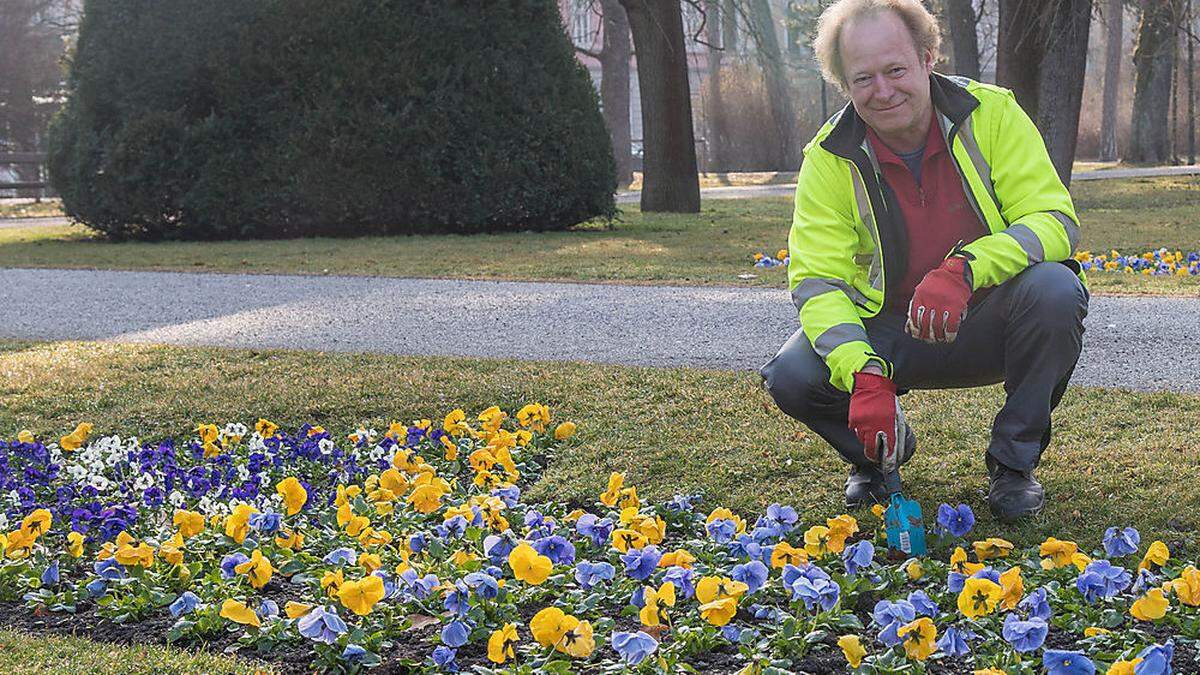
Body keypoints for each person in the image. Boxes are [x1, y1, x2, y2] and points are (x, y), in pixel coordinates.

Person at [759, 0, 1088, 522]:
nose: (883, 91)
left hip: (989, 321)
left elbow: (1053, 221)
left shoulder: (993, 113)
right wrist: (862, 372)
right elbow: (818, 281)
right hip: (889, 334)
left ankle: (1012, 465)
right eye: (862, 77)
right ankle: (878, 451)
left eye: (895, 69)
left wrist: (965, 269)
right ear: (844, 83)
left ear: (928, 58)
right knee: (792, 373)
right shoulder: (828, 156)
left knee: (1055, 290)